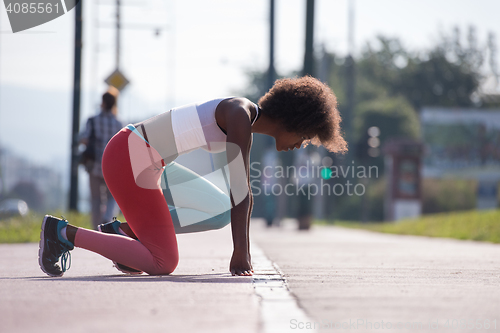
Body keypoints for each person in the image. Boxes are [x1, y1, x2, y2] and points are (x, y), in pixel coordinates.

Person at [38, 76, 347, 277]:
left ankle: (125, 231)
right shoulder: (240, 115)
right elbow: (240, 190)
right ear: (293, 120)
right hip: (129, 157)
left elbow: (235, 196)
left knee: (219, 213)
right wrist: (241, 252)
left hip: (148, 158)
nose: (301, 145)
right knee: (163, 262)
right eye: (306, 136)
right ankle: (61, 233)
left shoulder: (243, 116)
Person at [80, 87, 123, 229]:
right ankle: (107, 218)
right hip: (111, 167)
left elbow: (84, 139)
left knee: (96, 199)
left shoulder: (93, 121)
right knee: (113, 197)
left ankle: (96, 229)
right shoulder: (118, 124)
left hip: (95, 166)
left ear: (102, 103)